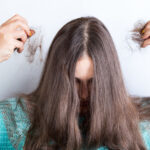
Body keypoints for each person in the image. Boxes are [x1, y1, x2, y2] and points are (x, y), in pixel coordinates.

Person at [0, 14, 150, 150]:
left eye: (93, 83)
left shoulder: (143, 124)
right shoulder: (13, 120)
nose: (83, 95)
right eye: (75, 82)